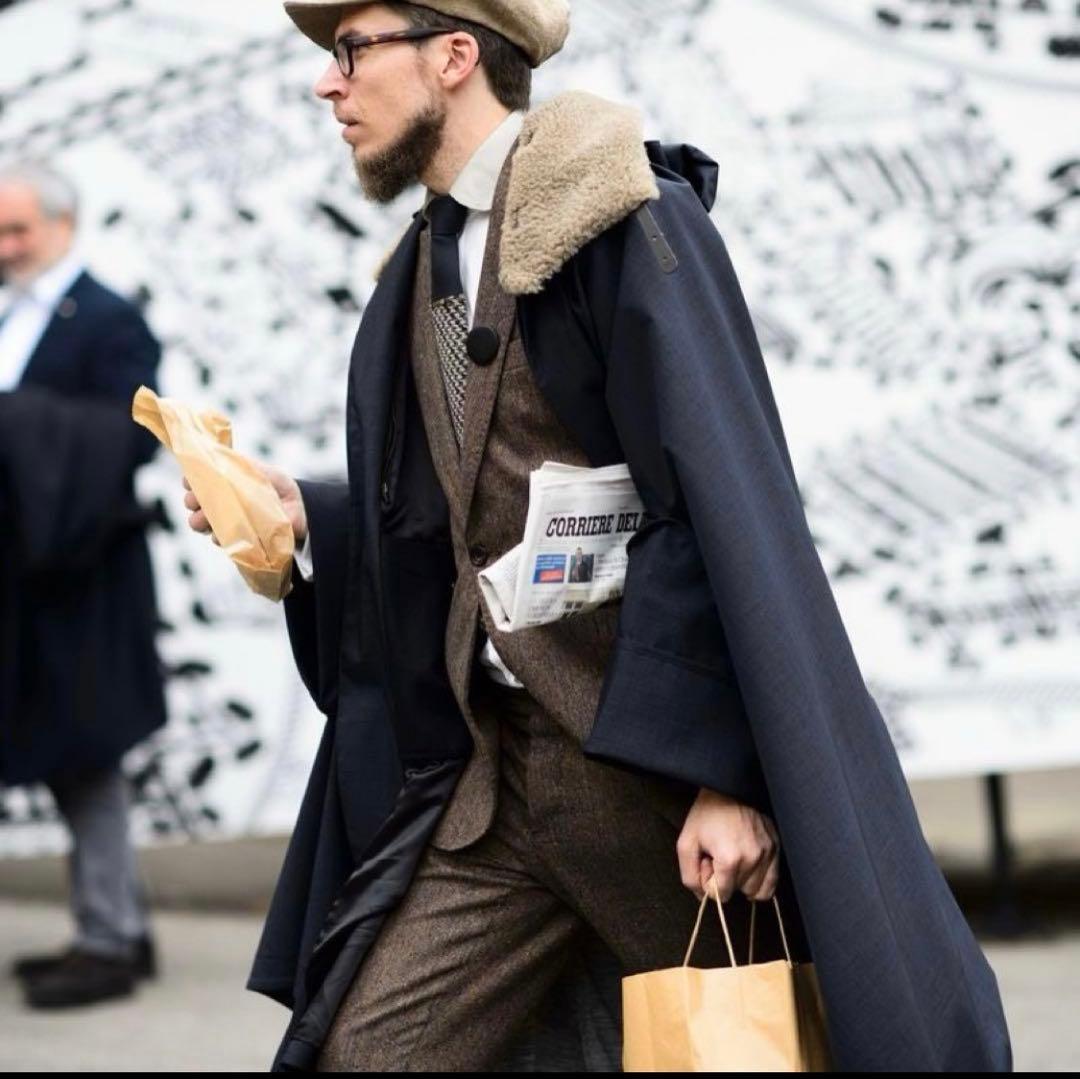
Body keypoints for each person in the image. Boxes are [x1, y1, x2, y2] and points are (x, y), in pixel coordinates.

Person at [185, 1, 1012, 1070]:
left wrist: (726, 776)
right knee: (363, 1051)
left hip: (651, 800)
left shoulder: (629, 222)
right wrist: (308, 516)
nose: (327, 82)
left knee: (759, 1052)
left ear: (454, 54)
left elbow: (717, 505)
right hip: (489, 792)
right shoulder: (422, 267)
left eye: (353, 49)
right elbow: (452, 518)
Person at [0, 164, 164, 1008]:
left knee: (87, 755)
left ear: (65, 225)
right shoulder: (8, 312)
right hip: (22, 582)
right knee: (64, 758)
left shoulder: (109, 319)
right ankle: (116, 926)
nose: (5, 247)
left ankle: (109, 941)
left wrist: (12, 419)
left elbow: (132, 437)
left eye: (18, 230)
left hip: (82, 579)